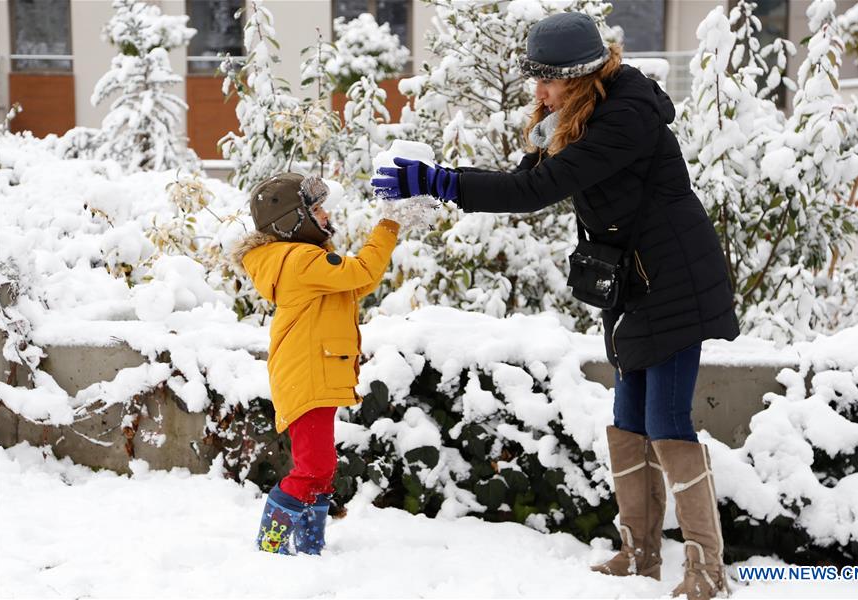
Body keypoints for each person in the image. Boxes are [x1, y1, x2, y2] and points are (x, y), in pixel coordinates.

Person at [372, 11, 739, 600]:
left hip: (675, 282)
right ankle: (640, 553)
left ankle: (707, 569)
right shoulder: (570, 112)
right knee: (628, 418)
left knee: (667, 421)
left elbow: (533, 192)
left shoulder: (624, 119)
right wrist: (447, 177)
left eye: (547, 81)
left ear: (580, 75)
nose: (537, 92)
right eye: (534, 80)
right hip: (631, 283)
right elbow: (528, 175)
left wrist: (440, 181)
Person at [231, 172, 402, 555]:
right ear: (293, 220)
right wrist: (390, 222)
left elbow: (356, 283)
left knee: (320, 469)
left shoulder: (298, 259)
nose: (326, 215)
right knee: (312, 468)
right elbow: (362, 271)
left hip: (309, 372)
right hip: (306, 375)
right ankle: (271, 549)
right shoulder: (299, 260)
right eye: (318, 209)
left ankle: (310, 546)